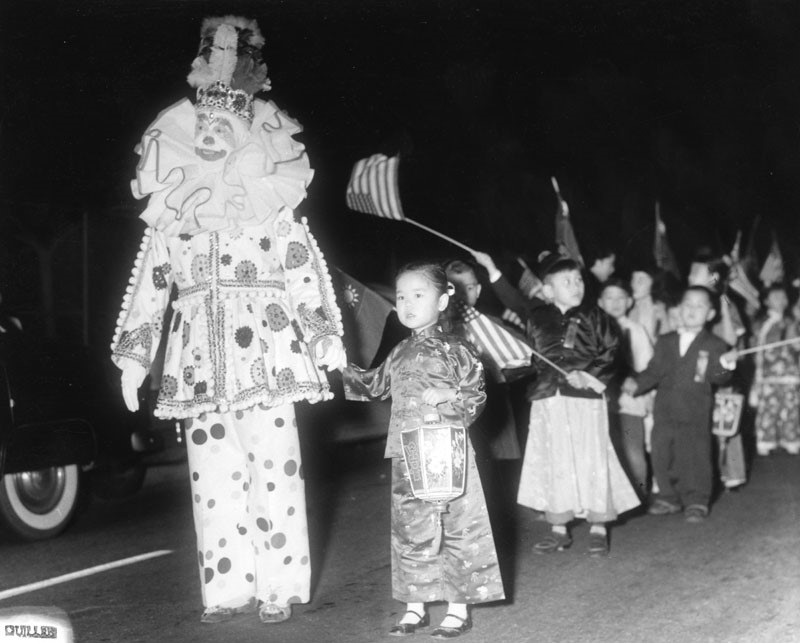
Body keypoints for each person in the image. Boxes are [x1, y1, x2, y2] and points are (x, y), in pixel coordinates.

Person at [110, 16, 345, 625]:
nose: (212, 132)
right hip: (198, 366)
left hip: (269, 356)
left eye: (225, 125)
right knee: (212, 478)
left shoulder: (270, 209)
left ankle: (279, 586)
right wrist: (134, 359)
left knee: (275, 468)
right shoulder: (176, 213)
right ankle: (227, 588)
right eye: (204, 125)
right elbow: (151, 286)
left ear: (247, 132)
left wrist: (323, 337)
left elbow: (301, 268)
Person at [342, 262, 504, 639]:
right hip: (406, 451)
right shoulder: (399, 351)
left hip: (447, 451)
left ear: (444, 299)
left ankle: (457, 608)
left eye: (419, 295)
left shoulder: (457, 348)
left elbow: (477, 393)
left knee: (455, 526)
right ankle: (416, 606)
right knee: (410, 529)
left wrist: (452, 394)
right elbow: (374, 385)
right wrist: (341, 365)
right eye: (401, 296)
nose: (408, 303)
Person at [473, 251, 638, 557]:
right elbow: (512, 300)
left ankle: (599, 526)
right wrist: (492, 268)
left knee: (593, 459)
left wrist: (588, 376)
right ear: (548, 290)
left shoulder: (596, 316)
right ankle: (558, 528)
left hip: (587, 399)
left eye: (578, 280)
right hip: (549, 398)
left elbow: (612, 351)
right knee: (553, 460)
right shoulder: (537, 314)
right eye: (567, 281)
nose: (576, 285)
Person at [625, 286, 736, 523]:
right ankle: (668, 496)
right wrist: (637, 384)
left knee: (695, 455)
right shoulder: (665, 341)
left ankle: (696, 499)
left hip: (695, 412)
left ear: (710, 314)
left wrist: (726, 366)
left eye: (699, 306)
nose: (692, 310)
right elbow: (654, 371)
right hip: (664, 410)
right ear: (679, 309)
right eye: (687, 304)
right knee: (661, 453)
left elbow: (719, 377)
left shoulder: (715, 344)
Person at [687, 251, 748, 490]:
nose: (690, 275)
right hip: (694, 370)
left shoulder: (724, 301)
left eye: (696, 272)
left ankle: (732, 472)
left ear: (712, 277)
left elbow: (733, 337)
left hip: (720, 369)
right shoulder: (688, 300)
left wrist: (723, 310)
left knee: (725, 421)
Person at [597, 278, 654, 500]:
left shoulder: (636, 329)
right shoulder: (594, 330)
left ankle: (641, 494)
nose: (615, 302)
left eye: (621, 297)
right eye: (609, 298)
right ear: (600, 302)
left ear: (630, 301)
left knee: (633, 449)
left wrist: (638, 383)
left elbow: (647, 365)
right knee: (607, 450)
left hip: (630, 400)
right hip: (604, 400)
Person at [748, 284, 800, 455]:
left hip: (789, 372)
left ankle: (790, 438)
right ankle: (766, 440)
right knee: (768, 408)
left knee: (790, 407)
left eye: (783, 297)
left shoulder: (791, 320)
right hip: (766, 374)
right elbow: (755, 345)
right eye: (776, 297)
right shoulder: (760, 322)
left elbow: (795, 343)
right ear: (766, 301)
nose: (781, 300)